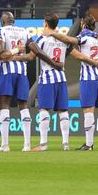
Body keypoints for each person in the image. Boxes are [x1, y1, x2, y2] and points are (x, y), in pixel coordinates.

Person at [48, 14, 98, 150]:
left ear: (83, 25)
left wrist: (53, 33)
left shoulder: (84, 37)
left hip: (88, 78)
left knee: (88, 110)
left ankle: (89, 144)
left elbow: (69, 40)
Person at [27, 13, 71, 151]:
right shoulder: (63, 39)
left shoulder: (42, 39)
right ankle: (65, 143)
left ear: (46, 23)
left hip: (47, 78)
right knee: (63, 111)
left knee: (44, 109)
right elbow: (69, 50)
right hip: (61, 78)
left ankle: (43, 143)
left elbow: (34, 54)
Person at [0, 12, 34, 151]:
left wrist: (13, 53)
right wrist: (19, 54)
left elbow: (2, 55)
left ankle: (5, 145)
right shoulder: (24, 31)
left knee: (4, 104)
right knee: (23, 105)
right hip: (22, 73)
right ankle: (27, 145)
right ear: (13, 20)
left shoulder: (1, 31)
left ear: (3, 20)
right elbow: (31, 55)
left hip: (6, 72)